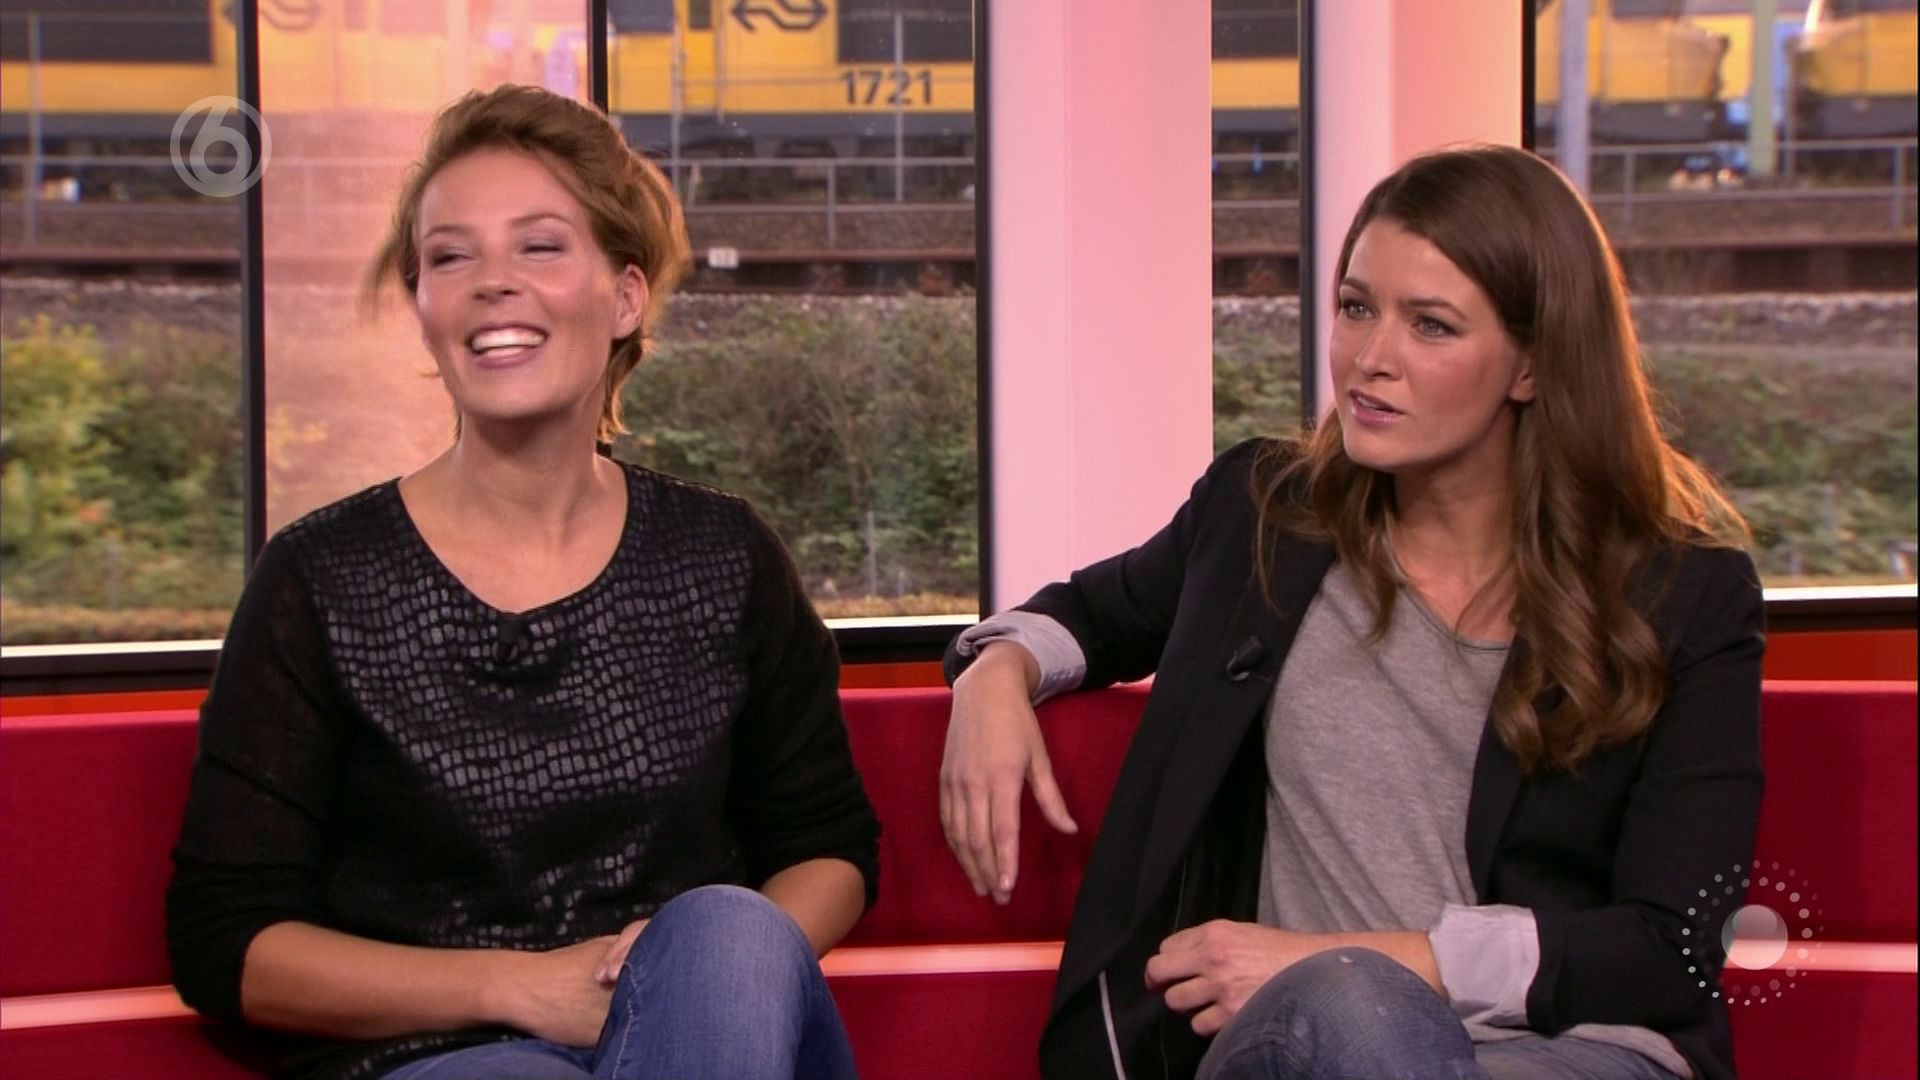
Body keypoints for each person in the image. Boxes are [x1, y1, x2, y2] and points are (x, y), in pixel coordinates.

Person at [940, 144, 1762, 1080]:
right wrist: (995, 672)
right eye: (1357, 307)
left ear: (1533, 365)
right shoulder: (1263, 515)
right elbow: (1086, 616)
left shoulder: (1684, 594)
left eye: (1431, 326)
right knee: (1351, 1012)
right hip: (1295, 1051)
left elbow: (1671, 946)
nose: (1370, 360)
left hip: (1571, 1055)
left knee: (1356, 995)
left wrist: (1359, 961)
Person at [167, 84, 878, 1080]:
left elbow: (829, 848)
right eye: (450, 257)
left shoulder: (723, 557)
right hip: (436, 1056)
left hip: (704, 1040)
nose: (492, 283)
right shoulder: (320, 578)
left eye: (540, 246)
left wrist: (686, 978)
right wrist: (518, 986)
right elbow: (226, 942)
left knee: (729, 929)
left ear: (625, 296)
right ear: (424, 308)